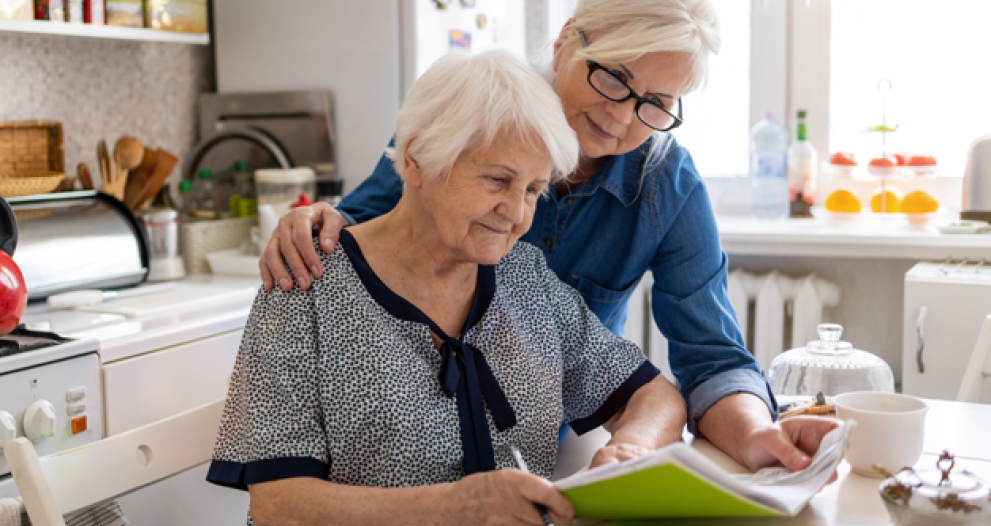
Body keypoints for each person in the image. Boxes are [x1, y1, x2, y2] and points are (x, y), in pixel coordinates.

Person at [259, 0, 841, 477]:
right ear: (566, 41)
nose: (622, 116)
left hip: (543, 446)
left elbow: (711, 357)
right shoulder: (471, 113)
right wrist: (314, 220)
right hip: (403, 444)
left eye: (656, 104)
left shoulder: (667, 184)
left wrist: (758, 434)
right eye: (615, 76)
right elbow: (359, 233)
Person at [209, 50, 689, 526]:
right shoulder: (307, 283)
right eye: (498, 180)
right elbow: (281, 513)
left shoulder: (526, 279)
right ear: (416, 158)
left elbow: (655, 397)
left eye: (532, 190)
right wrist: (457, 512)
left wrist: (631, 450)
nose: (516, 215)